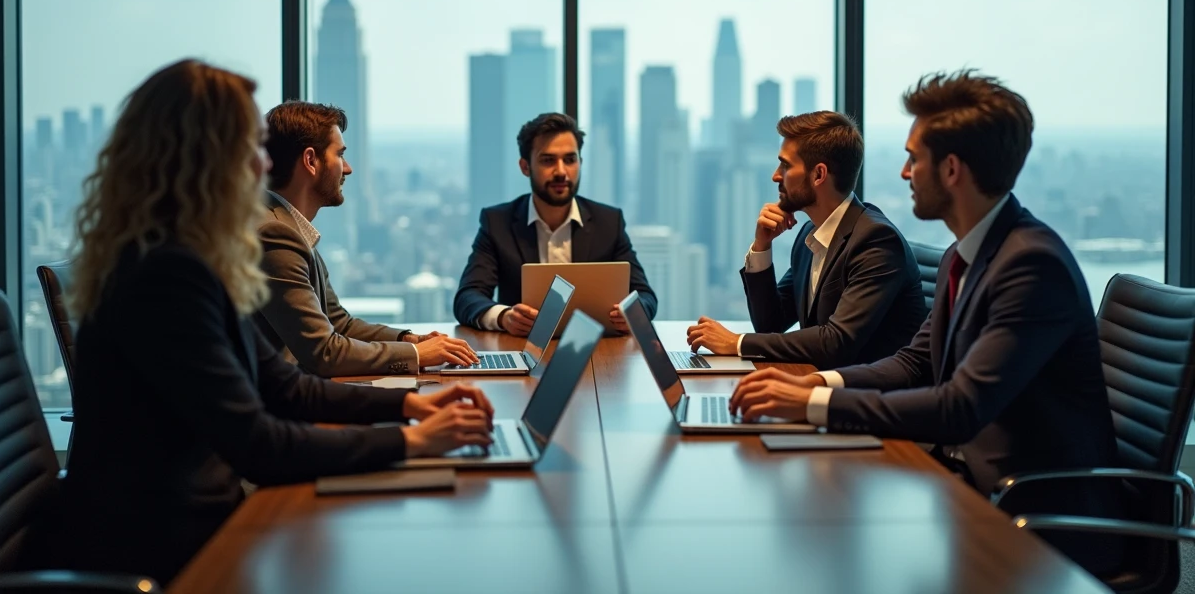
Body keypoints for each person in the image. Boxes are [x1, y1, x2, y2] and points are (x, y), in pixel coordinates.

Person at [54, 60, 494, 585]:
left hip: (198, 524)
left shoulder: (196, 259)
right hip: (165, 551)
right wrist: (412, 443)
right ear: (204, 161)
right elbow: (258, 445)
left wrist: (411, 406)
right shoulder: (166, 276)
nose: (264, 166)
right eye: (249, 148)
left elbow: (285, 387)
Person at [728, 71, 1119, 572]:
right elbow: (914, 363)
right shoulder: (969, 252)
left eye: (914, 158)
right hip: (969, 482)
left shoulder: (1030, 265)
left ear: (951, 169)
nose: (904, 173)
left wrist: (816, 402)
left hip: (1031, 517)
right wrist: (814, 387)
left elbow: (960, 407)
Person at [254, 101, 479, 375]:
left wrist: (408, 340)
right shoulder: (276, 233)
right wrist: (417, 354)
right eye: (340, 155)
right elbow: (324, 352)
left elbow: (338, 324)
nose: (347, 169)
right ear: (311, 161)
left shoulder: (287, 225)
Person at [686, 111, 924, 368]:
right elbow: (771, 325)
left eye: (786, 165)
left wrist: (737, 343)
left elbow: (836, 342)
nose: (776, 175)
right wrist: (761, 247)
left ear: (818, 174)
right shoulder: (809, 236)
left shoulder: (876, 241)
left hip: (871, 399)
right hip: (822, 386)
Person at [454, 112, 657, 335]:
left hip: (598, 352)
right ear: (525, 167)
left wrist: (631, 314)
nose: (561, 171)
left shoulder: (608, 222)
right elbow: (467, 297)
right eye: (548, 160)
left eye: (570, 160)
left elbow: (645, 296)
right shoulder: (497, 223)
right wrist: (504, 317)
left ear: (580, 162)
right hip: (522, 352)